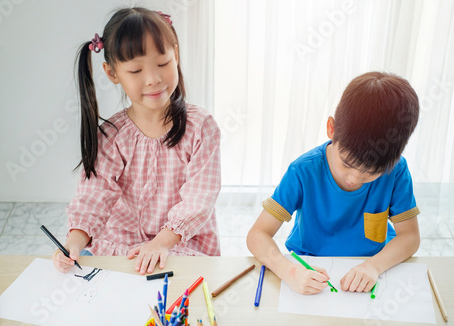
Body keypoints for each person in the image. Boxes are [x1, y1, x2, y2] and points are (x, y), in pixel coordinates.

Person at [52, 7, 221, 275]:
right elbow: (94, 195)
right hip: (123, 245)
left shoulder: (202, 127)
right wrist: (73, 242)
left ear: (175, 55)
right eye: (136, 70)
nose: (153, 79)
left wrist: (160, 243)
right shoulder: (111, 135)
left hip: (178, 244)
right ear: (112, 73)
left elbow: (198, 200)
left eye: (163, 64)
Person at [247, 72, 420, 295]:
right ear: (332, 129)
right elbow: (257, 235)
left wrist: (373, 266)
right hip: (310, 266)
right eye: (347, 163)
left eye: (371, 173)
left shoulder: (396, 171)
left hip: (372, 263)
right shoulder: (303, 171)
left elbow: (410, 236)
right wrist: (288, 271)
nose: (354, 178)